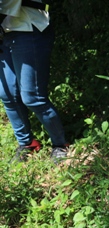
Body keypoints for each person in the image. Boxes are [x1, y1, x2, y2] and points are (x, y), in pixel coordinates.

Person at [0, 0, 68, 163]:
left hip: (28, 28)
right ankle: (27, 143)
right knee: (7, 94)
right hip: (5, 34)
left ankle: (60, 144)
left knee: (32, 97)